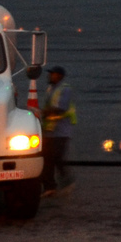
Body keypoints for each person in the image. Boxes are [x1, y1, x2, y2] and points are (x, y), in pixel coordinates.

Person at [41, 65, 76, 193]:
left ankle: (66, 183)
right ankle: (50, 187)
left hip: (61, 131)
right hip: (49, 131)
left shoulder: (64, 89)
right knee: (47, 159)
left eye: (53, 74)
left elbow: (60, 108)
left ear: (60, 76)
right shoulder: (51, 89)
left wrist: (42, 113)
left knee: (56, 158)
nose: (50, 76)